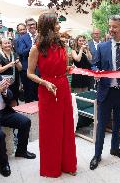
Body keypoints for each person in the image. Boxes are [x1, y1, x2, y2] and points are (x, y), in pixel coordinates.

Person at [27, 12, 77, 177]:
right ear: (49, 25)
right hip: (47, 89)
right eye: (57, 23)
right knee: (51, 130)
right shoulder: (36, 48)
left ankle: (68, 164)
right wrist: (45, 82)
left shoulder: (62, 44)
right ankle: (51, 168)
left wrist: (70, 69)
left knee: (66, 126)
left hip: (63, 87)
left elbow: (65, 67)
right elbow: (30, 73)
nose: (59, 26)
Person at [89, 14, 120, 170]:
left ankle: (115, 149)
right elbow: (94, 65)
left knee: (119, 124)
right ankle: (97, 155)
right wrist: (97, 72)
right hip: (106, 92)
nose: (111, 29)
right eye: (110, 26)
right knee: (101, 125)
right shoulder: (102, 47)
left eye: (114, 27)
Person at [16, 18, 39, 102]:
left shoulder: (41, 35)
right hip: (27, 70)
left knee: (39, 94)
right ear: (27, 26)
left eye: (33, 24)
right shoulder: (22, 38)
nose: (32, 26)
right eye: (29, 25)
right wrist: (34, 45)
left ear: (36, 24)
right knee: (29, 95)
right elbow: (21, 52)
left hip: (40, 69)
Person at [0, 37, 22, 106]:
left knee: (15, 99)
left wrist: (18, 63)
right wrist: (8, 65)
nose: (7, 45)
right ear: (1, 45)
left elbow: (20, 68)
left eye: (9, 43)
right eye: (5, 43)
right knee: (6, 101)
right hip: (4, 83)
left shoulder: (15, 54)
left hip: (14, 82)